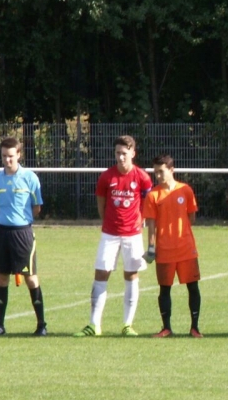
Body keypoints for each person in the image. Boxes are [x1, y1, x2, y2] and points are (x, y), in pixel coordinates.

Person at [75, 135, 153, 337]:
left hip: (133, 235)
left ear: (133, 153)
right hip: (109, 234)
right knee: (101, 273)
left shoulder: (142, 177)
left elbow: (148, 203)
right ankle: (94, 325)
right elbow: (101, 204)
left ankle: (127, 324)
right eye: (118, 153)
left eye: (124, 153)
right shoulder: (106, 177)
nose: (120, 157)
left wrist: (140, 220)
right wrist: (109, 223)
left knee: (131, 275)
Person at [0, 137, 46, 336]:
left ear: (19, 155)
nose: (7, 160)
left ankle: (41, 325)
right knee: (2, 278)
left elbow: (36, 207)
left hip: (22, 233)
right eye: (4, 156)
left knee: (30, 278)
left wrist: (21, 220)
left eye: (11, 156)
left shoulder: (30, 178)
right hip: (1, 232)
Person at [142, 154, 203, 338]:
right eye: (155, 172)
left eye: (161, 171)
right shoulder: (153, 195)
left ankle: (195, 328)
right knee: (164, 289)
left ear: (171, 170)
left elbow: (191, 217)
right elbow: (151, 224)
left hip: (186, 249)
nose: (158, 176)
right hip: (164, 250)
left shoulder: (185, 190)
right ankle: (166, 328)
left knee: (193, 287)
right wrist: (151, 247)